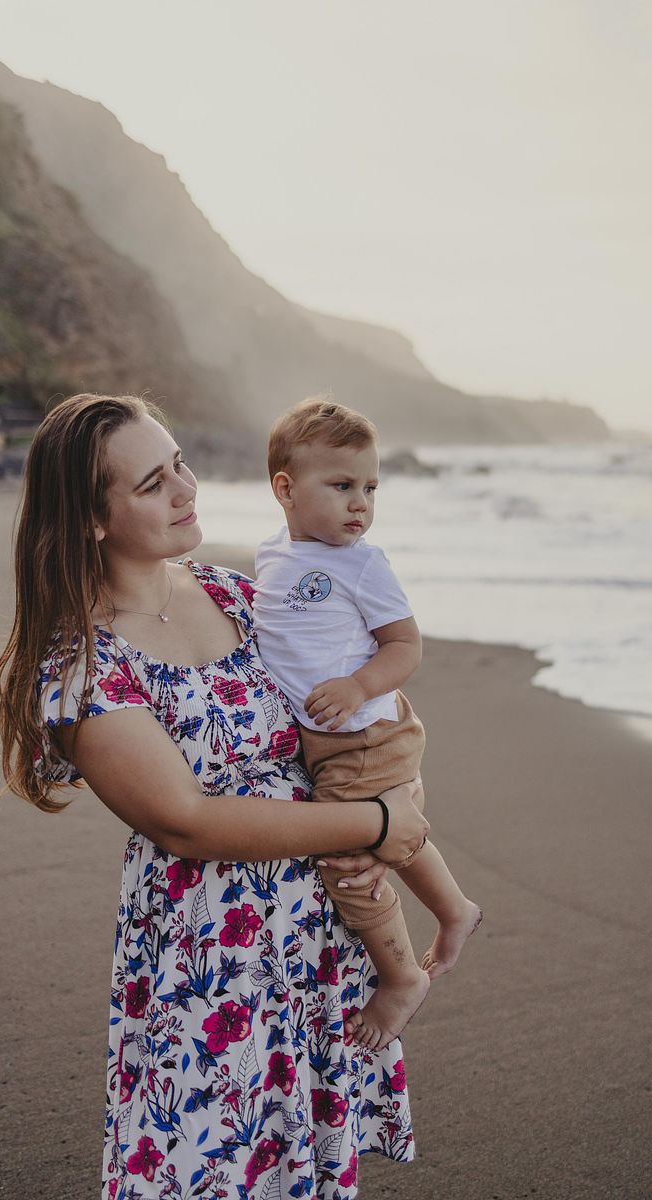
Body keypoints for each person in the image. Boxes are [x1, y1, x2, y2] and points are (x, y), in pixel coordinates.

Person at [0, 393, 429, 1200]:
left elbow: (339, 714)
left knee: (302, 1161)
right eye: (154, 483)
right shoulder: (82, 665)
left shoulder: (233, 593)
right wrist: (375, 821)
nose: (187, 489)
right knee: (202, 1162)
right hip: (209, 953)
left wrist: (390, 807)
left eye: (181, 463)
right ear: (93, 518)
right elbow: (185, 822)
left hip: (316, 926)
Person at [254, 397, 482, 1052]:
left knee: (349, 859)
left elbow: (405, 646)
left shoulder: (363, 564)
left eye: (371, 488)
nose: (362, 503)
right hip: (335, 742)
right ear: (286, 489)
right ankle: (454, 909)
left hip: (362, 734)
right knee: (391, 834)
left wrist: (358, 685)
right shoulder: (274, 556)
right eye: (343, 485)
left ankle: (402, 976)